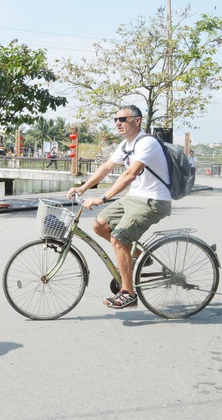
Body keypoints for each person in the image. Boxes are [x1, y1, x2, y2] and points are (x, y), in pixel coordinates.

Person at [66, 105, 172, 309]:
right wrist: (83, 188)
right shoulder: (126, 145)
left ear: (137, 121)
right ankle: (140, 257)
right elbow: (106, 167)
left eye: (123, 119)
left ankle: (129, 293)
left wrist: (103, 198)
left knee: (119, 238)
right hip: (134, 197)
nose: (118, 123)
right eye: (116, 119)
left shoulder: (146, 142)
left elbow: (130, 174)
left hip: (153, 200)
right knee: (99, 225)